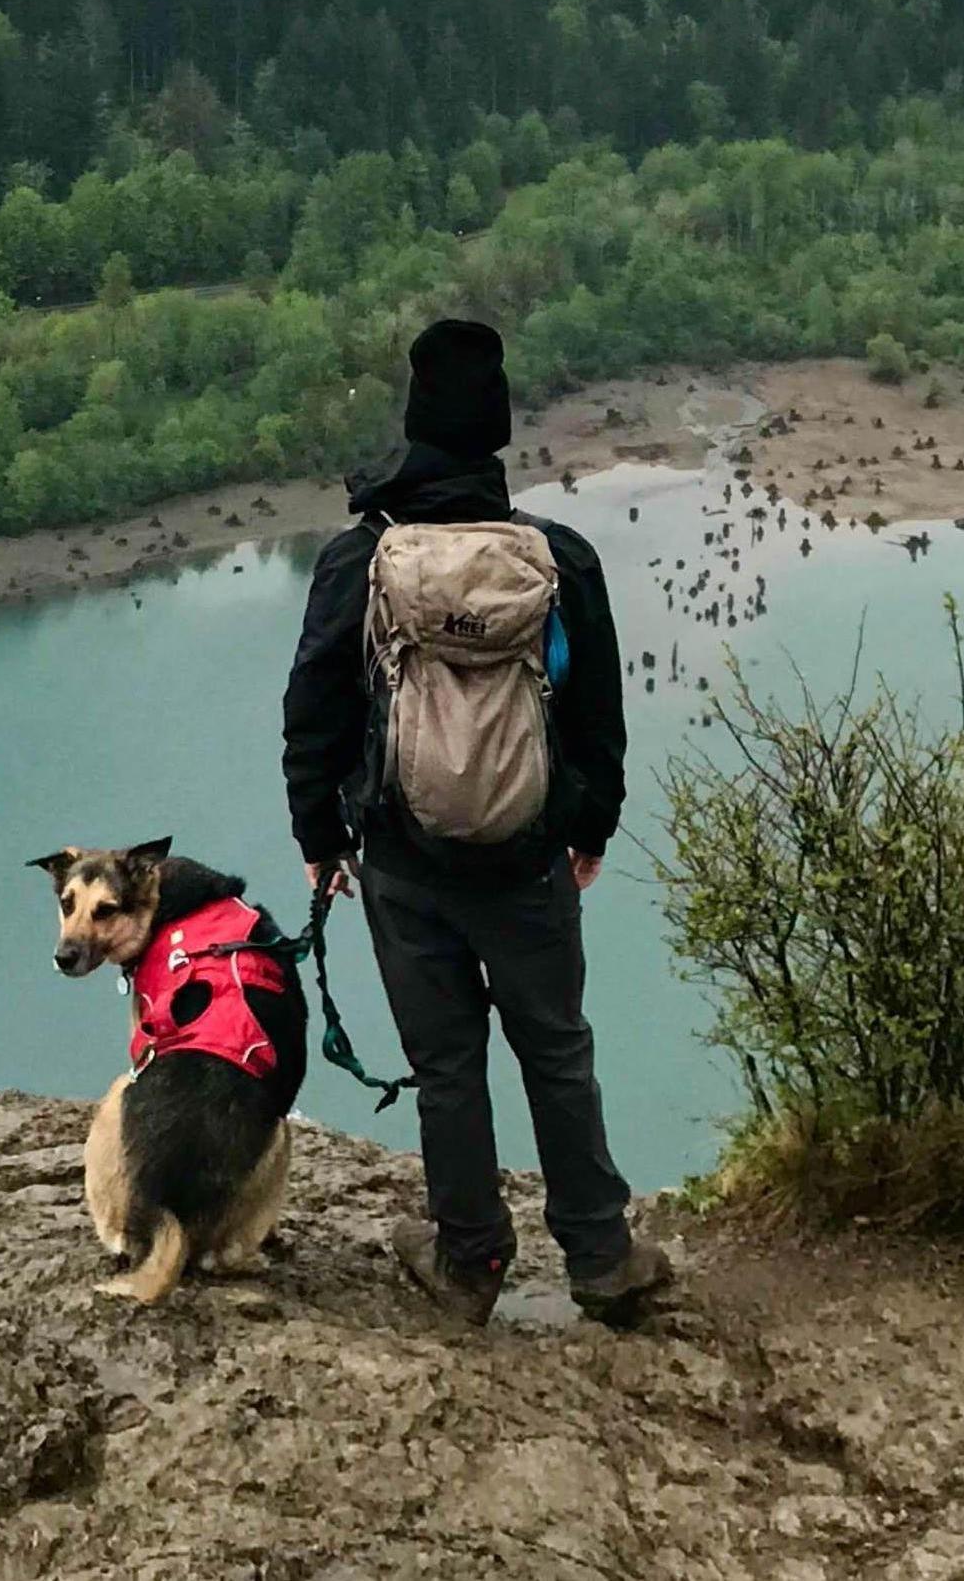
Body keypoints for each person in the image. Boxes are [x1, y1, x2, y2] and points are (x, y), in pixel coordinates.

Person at [281, 317, 672, 1326]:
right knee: (557, 1047)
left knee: (447, 1065)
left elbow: (314, 704)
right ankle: (599, 1253)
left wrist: (320, 838)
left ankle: (469, 1259)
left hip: (404, 863)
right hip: (530, 858)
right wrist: (590, 828)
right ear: (496, 434)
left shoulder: (360, 558)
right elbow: (597, 717)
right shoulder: (555, 559)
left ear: (414, 423)